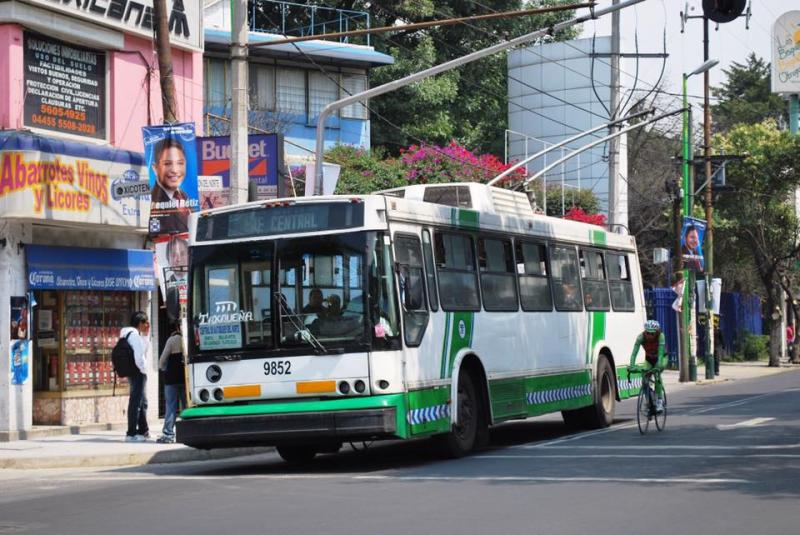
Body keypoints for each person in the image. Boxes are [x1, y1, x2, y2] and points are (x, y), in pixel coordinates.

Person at [149, 137, 193, 236]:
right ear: (155, 168)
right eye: (167, 164)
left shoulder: (184, 197)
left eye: (180, 163)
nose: (174, 170)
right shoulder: (151, 200)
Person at [122, 311, 151, 442]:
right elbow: (140, 356)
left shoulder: (127, 334)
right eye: (145, 322)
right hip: (138, 372)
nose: (147, 324)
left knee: (141, 401)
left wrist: (145, 335)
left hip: (133, 371)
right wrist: (144, 370)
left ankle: (143, 430)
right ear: (139, 323)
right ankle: (131, 433)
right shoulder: (134, 336)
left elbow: (143, 350)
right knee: (136, 403)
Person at [628, 319, 667, 413]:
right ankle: (648, 401)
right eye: (648, 333)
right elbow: (634, 353)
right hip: (649, 359)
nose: (650, 335)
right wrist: (632, 366)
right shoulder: (640, 337)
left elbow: (661, 354)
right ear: (645, 332)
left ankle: (659, 401)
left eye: (652, 333)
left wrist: (658, 366)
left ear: (657, 332)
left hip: (661, 358)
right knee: (644, 378)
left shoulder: (661, 336)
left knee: (657, 374)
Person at [157, 321, 186, 444]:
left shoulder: (171, 340)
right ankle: (186, 432)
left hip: (171, 380)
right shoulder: (189, 340)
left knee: (170, 407)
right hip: (186, 380)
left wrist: (164, 369)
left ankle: (168, 434)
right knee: (186, 407)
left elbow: (162, 361)